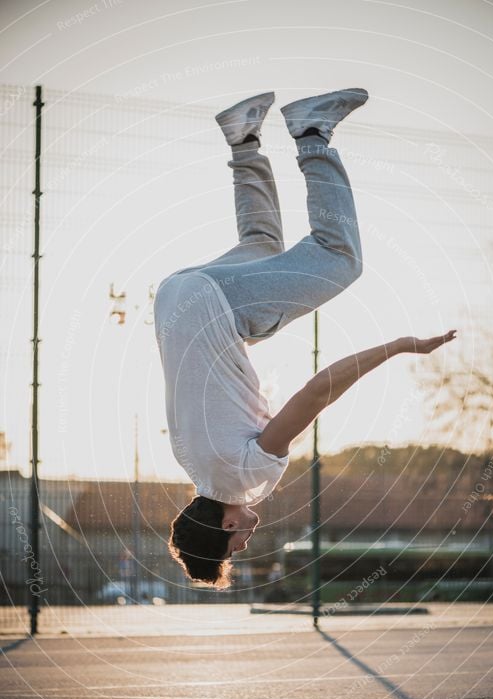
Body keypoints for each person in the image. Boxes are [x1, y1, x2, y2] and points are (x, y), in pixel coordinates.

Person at [154, 89, 456, 588]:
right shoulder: (193, 465)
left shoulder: (247, 478)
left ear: (227, 525)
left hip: (214, 306)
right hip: (176, 299)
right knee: (262, 245)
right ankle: (243, 137)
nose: (246, 543)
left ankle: (312, 132)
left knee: (340, 259)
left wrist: (401, 345)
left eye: (236, 547)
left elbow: (316, 392)